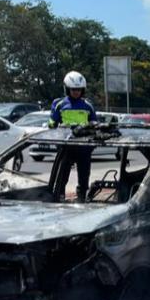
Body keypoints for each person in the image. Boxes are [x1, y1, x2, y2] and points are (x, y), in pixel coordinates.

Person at [50, 71, 98, 202]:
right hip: (66, 147)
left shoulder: (88, 105)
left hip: (83, 147)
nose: (76, 92)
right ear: (67, 89)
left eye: (79, 89)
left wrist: (91, 146)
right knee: (62, 175)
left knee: (84, 176)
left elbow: (95, 125)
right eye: (73, 89)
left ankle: (81, 197)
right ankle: (59, 197)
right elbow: (52, 123)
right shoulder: (59, 104)